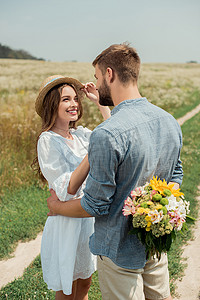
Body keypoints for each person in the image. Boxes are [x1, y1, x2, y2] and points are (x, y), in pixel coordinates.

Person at [46, 44, 183, 300]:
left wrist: (57, 206)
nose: (96, 85)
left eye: (97, 77)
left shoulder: (107, 134)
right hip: (155, 246)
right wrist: (156, 215)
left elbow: (95, 205)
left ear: (109, 74)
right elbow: (175, 179)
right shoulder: (168, 121)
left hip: (118, 251)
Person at [33, 74, 110, 300]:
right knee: (67, 289)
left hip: (86, 218)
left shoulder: (80, 135)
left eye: (75, 99)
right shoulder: (47, 140)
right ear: (52, 104)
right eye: (66, 99)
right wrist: (92, 152)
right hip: (66, 222)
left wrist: (99, 103)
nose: (74, 104)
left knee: (85, 282)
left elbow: (110, 137)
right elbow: (67, 188)